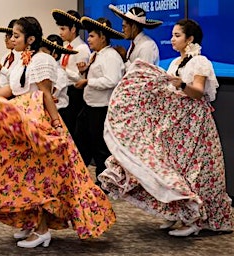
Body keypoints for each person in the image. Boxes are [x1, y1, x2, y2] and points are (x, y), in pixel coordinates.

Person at [0, 16, 115, 249]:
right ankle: (31, 222)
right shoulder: (20, 61)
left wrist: (56, 127)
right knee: (22, 175)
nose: (12, 39)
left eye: (16, 35)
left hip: (39, 124)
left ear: (31, 39)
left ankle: (42, 230)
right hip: (21, 121)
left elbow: (46, 94)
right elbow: (10, 89)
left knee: (42, 178)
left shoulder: (43, 60)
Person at [98, 19, 233, 237]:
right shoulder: (174, 63)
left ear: (190, 39)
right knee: (174, 167)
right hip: (176, 126)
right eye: (172, 35)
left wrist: (179, 84)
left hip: (195, 125)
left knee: (195, 171)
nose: (172, 39)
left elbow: (197, 92)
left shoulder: (200, 62)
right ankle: (178, 213)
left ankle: (196, 219)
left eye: (177, 35)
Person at [74, 17, 125, 188]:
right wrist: (84, 73)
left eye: (92, 36)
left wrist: (88, 82)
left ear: (103, 37)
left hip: (101, 108)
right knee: (83, 141)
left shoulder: (110, 56)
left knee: (100, 148)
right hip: (89, 106)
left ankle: (105, 183)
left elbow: (112, 80)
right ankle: (80, 178)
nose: (88, 39)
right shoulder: (96, 55)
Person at [51, 9, 91, 138]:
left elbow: (81, 77)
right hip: (64, 91)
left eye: (63, 29)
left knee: (72, 130)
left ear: (73, 29)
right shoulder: (65, 47)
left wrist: (63, 69)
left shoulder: (82, 49)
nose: (60, 33)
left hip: (75, 93)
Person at [39, 34, 78, 125]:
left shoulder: (60, 73)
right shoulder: (45, 69)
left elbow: (52, 94)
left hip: (59, 112)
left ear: (54, 55)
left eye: (45, 53)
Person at [108, 4, 162, 69]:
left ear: (134, 27)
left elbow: (143, 75)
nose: (122, 30)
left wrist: (125, 59)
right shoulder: (135, 44)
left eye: (124, 27)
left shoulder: (146, 46)